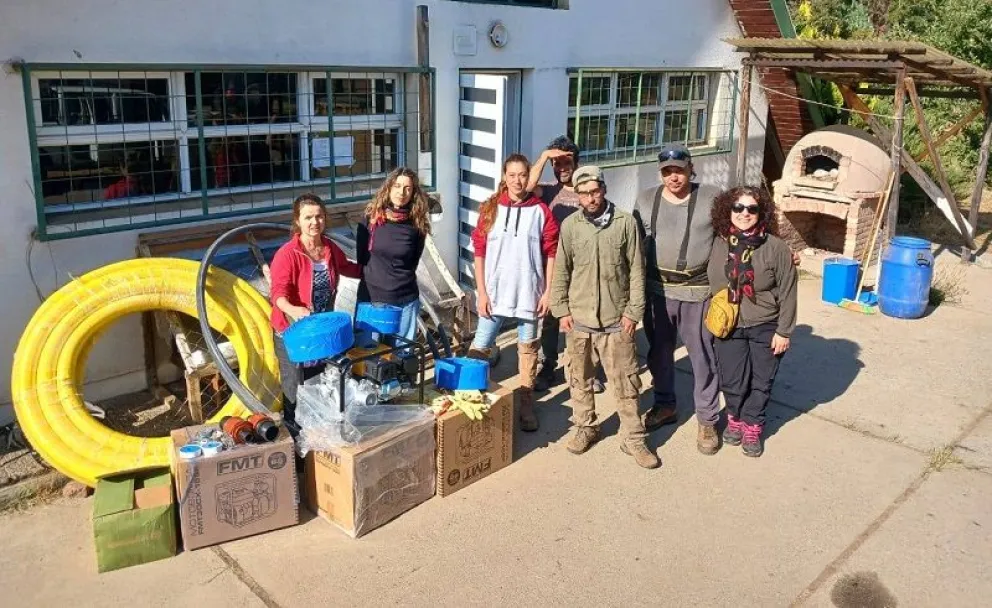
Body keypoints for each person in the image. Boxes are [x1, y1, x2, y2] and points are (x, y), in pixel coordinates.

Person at [550, 166, 658, 469]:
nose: (590, 198)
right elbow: (562, 269)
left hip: (616, 320)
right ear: (578, 196)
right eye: (584, 194)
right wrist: (561, 310)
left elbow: (636, 271)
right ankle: (586, 426)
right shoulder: (571, 226)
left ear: (604, 189)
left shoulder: (625, 223)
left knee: (626, 383)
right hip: (579, 319)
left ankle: (633, 437)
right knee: (579, 379)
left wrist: (633, 312)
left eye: (595, 191)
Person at [633, 144, 724, 455]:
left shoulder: (712, 197)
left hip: (697, 292)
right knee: (659, 353)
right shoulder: (646, 199)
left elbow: (735, 232)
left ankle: (707, 419)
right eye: (667, 171)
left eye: (679, 170)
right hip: (657, 291)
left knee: (703, 356)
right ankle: (665, 404)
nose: (674, 177)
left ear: (690, 169)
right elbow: (633, 242)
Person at [468, 153, 559, 433]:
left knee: (528, 349)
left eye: (522, 175)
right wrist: (481, 292)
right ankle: (470, 398)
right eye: (512, 175)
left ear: (528, 177)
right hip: (495, 295)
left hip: (529, 294)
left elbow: (552, 252)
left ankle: (526, 401)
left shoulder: (540, 211)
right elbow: (479, 253)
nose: (518, 181)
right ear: (504, 178)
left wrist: (547, 291)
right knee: (479, 348)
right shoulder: (490, 209)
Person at [708, 186, 797, 457]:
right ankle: (735, 417)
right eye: (738, 207)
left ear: (762, 213)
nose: (744, 213)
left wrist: (784, 331)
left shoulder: (775, 247)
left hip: (765, 324)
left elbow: (788, 290)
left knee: (761, 380)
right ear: (728, 210)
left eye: (752, 209)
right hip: (729, 324)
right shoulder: (717, 242)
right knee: (732, 379)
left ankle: (753, 425)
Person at [526, 135, 604, 395]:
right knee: (549, 319)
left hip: (583, 268)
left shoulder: (587, 191)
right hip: (553, 267)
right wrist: (544, 157)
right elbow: (526, 187)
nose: (561, 168)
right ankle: (548, 365)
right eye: (556, 164)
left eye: (566, 162)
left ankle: (585, 369)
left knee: (584, 319)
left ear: (576, 162)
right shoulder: (548, 191)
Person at [269, 193, 362, 409]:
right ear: (297, 221)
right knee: (294, 384)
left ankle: (316, 424)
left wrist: (376, 271)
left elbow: (348, 267)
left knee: (319, 380)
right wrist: (294, 310)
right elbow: (278, 295)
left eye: (319, 216)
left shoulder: (329, 248)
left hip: (320, 329)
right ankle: (293, 426)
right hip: (292, 331)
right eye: (308, 217)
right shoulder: (287, 254)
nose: (315, 222)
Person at [355, 167, 432, 343]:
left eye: (407, 188)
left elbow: (413, 261)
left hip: (404, 301)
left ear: (413, 193)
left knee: (402, 355)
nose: (401, 193)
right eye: (397, 186)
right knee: (368, 356)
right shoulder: (371, 218)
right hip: (371, 298)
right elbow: (362, 258)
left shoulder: (417, 224)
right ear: (388, 188)